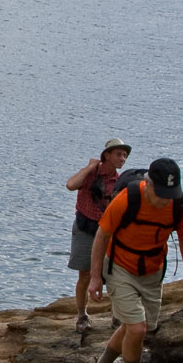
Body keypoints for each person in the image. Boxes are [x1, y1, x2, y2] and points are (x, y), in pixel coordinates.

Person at [86, 156, 183, 363]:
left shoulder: (180, 205)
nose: (164, 199)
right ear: (148, 184)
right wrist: (95, 277)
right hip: (120, 267)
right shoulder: (127, 200)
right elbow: (102, 235)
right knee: (137, 328)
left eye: (170, 193)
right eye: (160, 193)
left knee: (132, 327)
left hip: (152, 271)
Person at [66, 138, 129, 331]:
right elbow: (70, 185)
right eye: (118, 154)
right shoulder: (91, 174)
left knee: (112, 274)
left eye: (125, 155)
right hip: (86, 227)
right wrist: (90, 167)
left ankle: (116, 316)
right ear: (107, 155)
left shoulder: (119, 181)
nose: (122, 159)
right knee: (84, 274)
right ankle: (82, 315)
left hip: (107, 230)